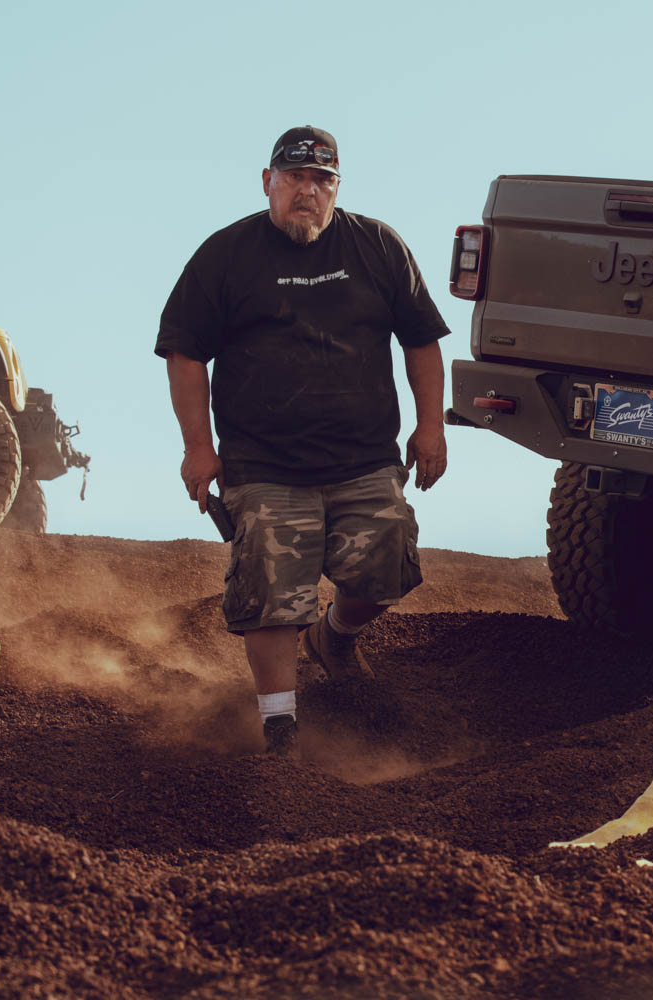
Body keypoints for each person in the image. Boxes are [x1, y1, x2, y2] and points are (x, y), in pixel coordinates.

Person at [155, 125, 451, 758]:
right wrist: (197, 448)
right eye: (294, 178)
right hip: (263, 464)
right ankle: (279, 729)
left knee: (388, 563)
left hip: (364, 457)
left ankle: (335, 637)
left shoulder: (376, 245)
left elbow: (421, 340)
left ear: (336, 188)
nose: (307, 192)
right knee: (270, 590)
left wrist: (432, 426)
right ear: (268, 182)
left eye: (322, 180)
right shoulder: (226, 255)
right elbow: (184, 353)